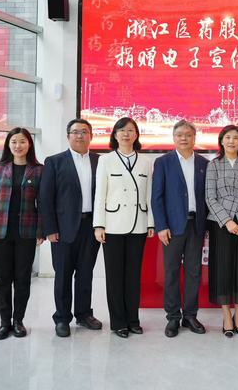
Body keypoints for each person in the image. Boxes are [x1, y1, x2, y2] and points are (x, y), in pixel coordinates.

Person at [39, 118, 102, 337]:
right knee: (63, 275)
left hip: (91, 227)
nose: (80, 135)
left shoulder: (100, 161)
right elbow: (45, 198)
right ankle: (62, 318)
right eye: (75, 132)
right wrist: (49, 229)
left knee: (85, 273)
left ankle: (84, 314)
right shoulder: (54, 162)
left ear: (90, 136)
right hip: (63, 228)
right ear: (68, 136)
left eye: (84, 131)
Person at [93, 117, 154, 338]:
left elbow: (149, 194)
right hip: (112, 224)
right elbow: (100, 194)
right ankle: (118, 322)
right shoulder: (105, 160)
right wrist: (98, 225)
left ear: (136, 134)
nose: (126, 134)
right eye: (122, 130)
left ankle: (133, 320)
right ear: (115, 135)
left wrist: (150, 222)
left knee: (133, 275)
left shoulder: (146, 161)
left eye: (130, 130)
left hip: (139, 223)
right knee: (114, 276)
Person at [0, 127, 43, 340]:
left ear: (29, 144)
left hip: (27, 231)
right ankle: (4, 322)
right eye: (14, 142)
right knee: (3, 279)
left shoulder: (38, 170)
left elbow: (43, 204)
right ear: (8, 145)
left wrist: (41, 230)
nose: (18, 146)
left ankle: (18, 321)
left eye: (23, 141)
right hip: (1, 231)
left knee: (22, 278)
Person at [151, 120, 209, 338]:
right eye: (179, 135)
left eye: (188, 135)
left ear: (194, 138)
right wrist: (161, 225)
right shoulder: (163, 162)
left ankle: (190, 315)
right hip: (172, 227)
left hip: (196, 225)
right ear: (174, 138)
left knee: (194, 272)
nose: (184, 138)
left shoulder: (204, 163)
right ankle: (173, 317)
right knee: (172, 271)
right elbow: (157, 197)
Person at [205, 125, 238, 337]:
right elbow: (210, 197)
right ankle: (226, 315)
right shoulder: (214, 165)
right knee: (223, 269)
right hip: (221, 225)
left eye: (236, 138)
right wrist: (227, 221)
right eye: (227, 137)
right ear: (221, 141)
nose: (231, 141)